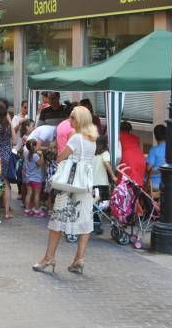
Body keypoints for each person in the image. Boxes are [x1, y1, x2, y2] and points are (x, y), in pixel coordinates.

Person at [33, 106, 97, 275]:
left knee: (57, 221)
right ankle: (79, 258)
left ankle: (49, 257)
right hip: (85, 186)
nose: (70, 121)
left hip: (69, 185)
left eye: (72, 118)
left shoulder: (75, 138)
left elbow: (61, 157)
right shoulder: (92, 139)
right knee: (84, 222)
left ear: (80, 120)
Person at [92, 135, 115, 235]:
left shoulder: (93, 153)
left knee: (94, 204)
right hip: (102, 184)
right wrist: (113, 176)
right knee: (102, 204)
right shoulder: (105, 153)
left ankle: (94, 223)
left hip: (92, 183)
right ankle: (96, 225)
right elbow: (106, 164)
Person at [119, 121, 146, 187]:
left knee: (124, 183)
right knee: (136, 183)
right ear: (130, 130)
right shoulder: (136, 138)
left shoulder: (118, 137)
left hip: (128, 158)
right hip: (140, 158)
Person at [23, 139, 45, 217]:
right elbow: (41, 164)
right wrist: (41, 155)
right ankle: (36, 210)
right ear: (34, 146)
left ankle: (27, 210)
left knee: (28, 194)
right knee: (36, 194)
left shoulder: (26, 154)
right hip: (36, 179)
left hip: (28, 178)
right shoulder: (35, 156)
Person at [146, 124, 167, 191]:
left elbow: (148, 168)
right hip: (169, 183)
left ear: (155, 136)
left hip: (156, 184)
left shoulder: (154, 150)